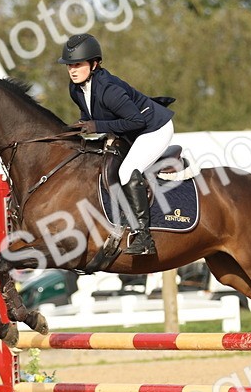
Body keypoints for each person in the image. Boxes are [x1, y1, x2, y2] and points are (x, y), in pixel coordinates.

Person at [58, 33, 174, 256]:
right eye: (69, 65)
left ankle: (144, 237)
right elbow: (88, 117)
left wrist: (97, 126)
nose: (72, 70)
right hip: (131, 130)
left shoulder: (108, 89)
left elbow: (136, 121)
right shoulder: (75, 89)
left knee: (127, 170)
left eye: (78, 64)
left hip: (153, 129)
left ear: (94, 64)